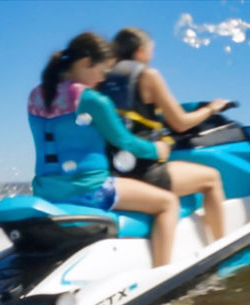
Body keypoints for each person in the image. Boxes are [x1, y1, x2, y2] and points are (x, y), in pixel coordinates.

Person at [29, 32, 180, 267]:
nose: (102, 79)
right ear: (85, 62)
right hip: (89, 188)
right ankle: (163, 275)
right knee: (168, 203)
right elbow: (126, 142)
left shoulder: (36, 96)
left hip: (45, 191)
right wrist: (157, 150)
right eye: (101, 70)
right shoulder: (92, 100)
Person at [99, 27, 227, 243]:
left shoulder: (103, 79)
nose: (153, 55)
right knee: (212, 178)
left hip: (115, 171)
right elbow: (180, 123)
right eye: (151, 49)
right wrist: (212, 108)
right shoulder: (148, 76)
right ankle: (222, 246)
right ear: (140, 51)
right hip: (145, 170)